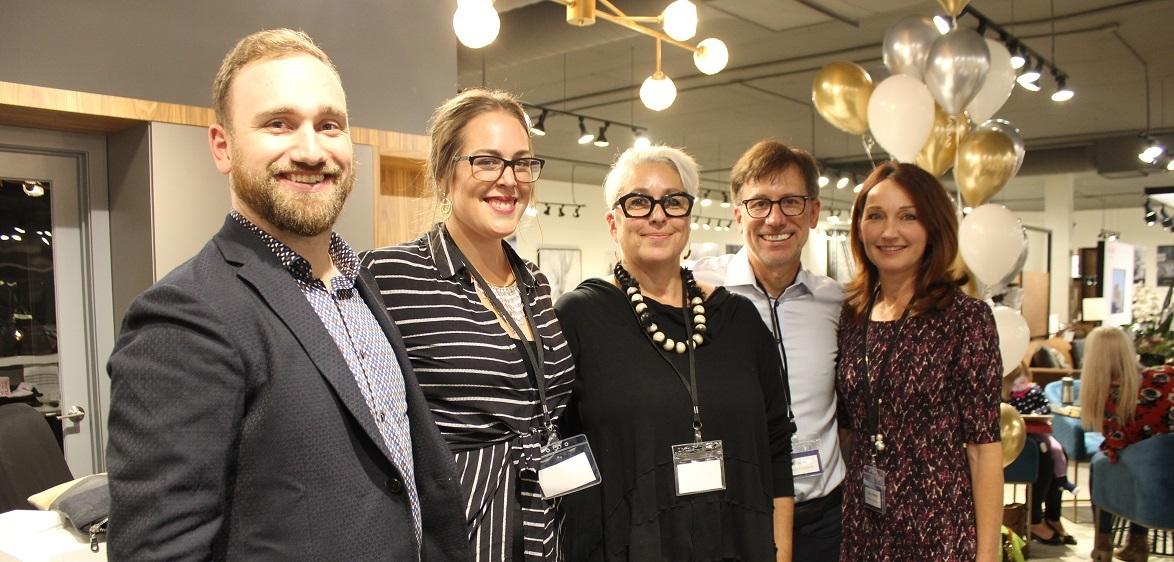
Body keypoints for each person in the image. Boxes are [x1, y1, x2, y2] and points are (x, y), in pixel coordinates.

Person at [105, 29, 468, 560]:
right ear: (223, 146)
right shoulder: (183, 316)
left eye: (329, 125)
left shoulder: (357, 282)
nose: (310, 150)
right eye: (279, 124)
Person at [361, 88, 575, 561]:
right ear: (444, 172)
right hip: (458, 536)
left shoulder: (534, 283)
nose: (510, 179)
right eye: (487, 161)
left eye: (522, 163)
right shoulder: (389, 275)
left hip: (547, 529)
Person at [555, 145, 796, 561]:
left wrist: (783, 553)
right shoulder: (579, 317)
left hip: (739, 544)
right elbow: (554, 450)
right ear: (613, 223)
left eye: (673, 201)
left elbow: (777, 446)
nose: (657, 214)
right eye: (638, 202)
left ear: (688, 218)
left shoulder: (738, 321)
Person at [835, 162, 1003, 562]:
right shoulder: (852, 316)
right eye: (875, 216)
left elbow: (984, 451)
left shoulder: (965, 319)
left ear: (933, 227)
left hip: (938, 529)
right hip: (864, 526)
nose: (889, 231)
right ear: (860, 227)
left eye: (907, 216)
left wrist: (987, 555)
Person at [693, 139, 845, 560]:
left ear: (813, 212)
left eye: (790, 202)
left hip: (824, 516)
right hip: (736, 513)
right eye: (759, 204)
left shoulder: (836, 303)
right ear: (738, 213)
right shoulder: (697, 293)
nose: (775, 218)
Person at [1081, 326, 1174, 562]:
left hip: (1147, 464)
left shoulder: (1112, 396)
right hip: (1165, 465)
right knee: (1141, 462)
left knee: (1100, 464)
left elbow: (1116, 442)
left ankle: (1103, 543)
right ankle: (1137, 541)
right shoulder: (1164, 377)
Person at [1003, 363, 1077, 546]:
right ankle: (1035, 520)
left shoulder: (1033, 391)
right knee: (1042, 454)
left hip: (1034, 432)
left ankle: (1052, 516)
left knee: (1059, 454)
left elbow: (1044, 408)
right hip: (1009, 438)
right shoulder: (999, 391)